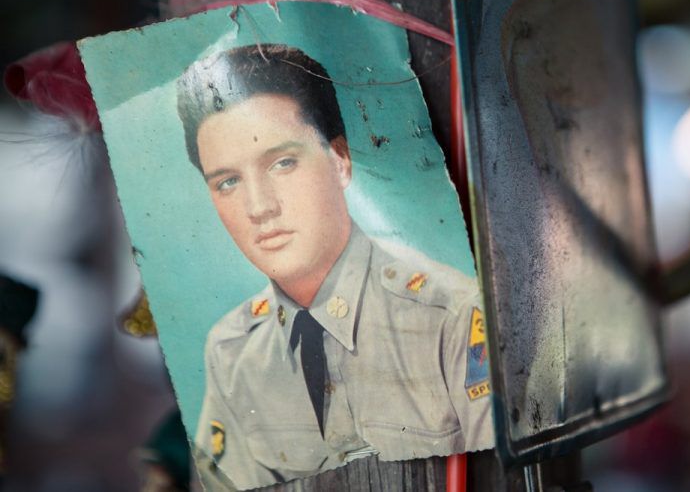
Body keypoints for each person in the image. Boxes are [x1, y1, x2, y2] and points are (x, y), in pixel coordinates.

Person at [176, 44, 492, 490]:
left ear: (339, 159)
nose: (259, 207)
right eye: (228, 182)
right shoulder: (233, 353)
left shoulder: (451, 317)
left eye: (283, 163)